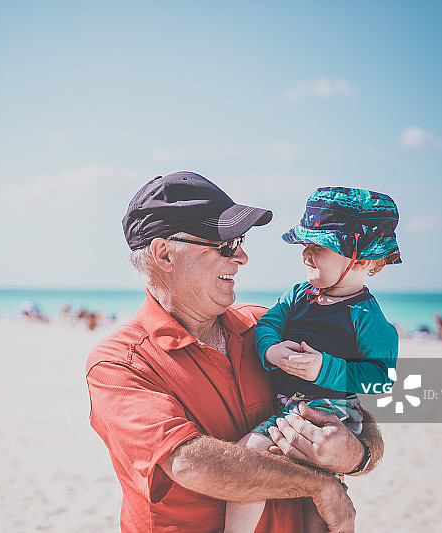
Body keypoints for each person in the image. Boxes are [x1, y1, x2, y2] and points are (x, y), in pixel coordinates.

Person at [86, 173, 384, 533]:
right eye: (225, 245)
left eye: (239, 240)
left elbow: (354, 409)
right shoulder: (119, 364)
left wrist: (358, 454)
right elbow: (190, 462)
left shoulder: (265, 327)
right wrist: (319, 486)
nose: (242, 256)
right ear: (163, 253)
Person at [224, 187, 401, 533]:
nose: (306, 253)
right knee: (263, 469)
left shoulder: (367, 316)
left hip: (329, 414)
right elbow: (269, 324)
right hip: (286, 406)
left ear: (360, 260)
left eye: (319, 246)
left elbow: (381, 378)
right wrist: (270, 349)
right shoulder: (298, 295)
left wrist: (325, 368)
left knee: (257, 464)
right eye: (304, 244)